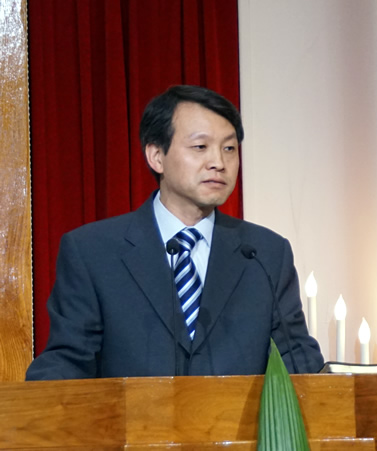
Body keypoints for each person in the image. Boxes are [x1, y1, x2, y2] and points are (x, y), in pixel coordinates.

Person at [27, 85, 324, 379]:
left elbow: (298, 361)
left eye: (229, 149)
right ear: (157, 156)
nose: (218, 163)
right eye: (200, 147)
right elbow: (69, 362)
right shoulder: (92, 252)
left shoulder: (265, 253)